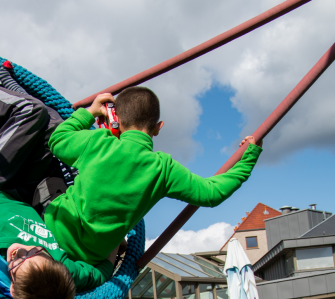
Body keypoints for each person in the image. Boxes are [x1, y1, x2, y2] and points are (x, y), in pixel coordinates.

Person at [0, 62, 116, 299]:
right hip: (28, 189)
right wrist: (114, 242)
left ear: (13, 288)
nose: (19, 251)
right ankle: (2, 105)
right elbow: (100, 273)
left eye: (16, 263)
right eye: (37, 251)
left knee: (32, 111)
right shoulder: (66, 270)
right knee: (54, 127)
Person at [44, 87, 263, 269]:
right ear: (158, 128)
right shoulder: (163, 168)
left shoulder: (99, 141)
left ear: (115, 119)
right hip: (92, 255)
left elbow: (58, 139)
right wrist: (248, 158)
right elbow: (212, 193)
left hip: (55, 230)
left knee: (49, 171)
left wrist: (90, 112)